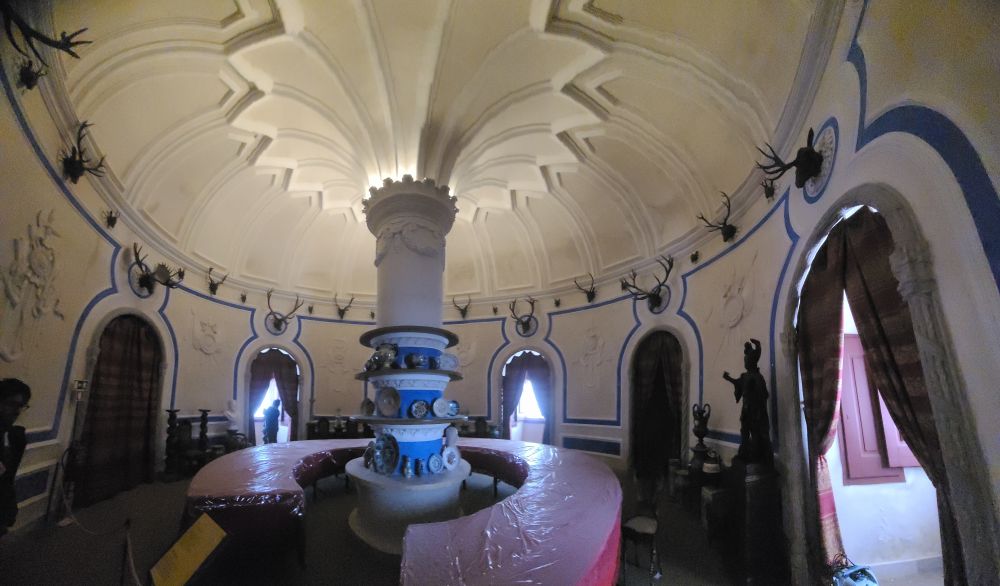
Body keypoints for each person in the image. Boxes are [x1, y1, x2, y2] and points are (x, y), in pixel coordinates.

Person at [723, 339, 773, 466]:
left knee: (755, 432)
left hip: (756, 411)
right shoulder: (744, 376)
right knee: (744, 431)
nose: (745, 362)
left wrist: (753, 394)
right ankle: (744, 452)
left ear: (752, 362)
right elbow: (738, 383)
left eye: (747, 360)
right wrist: (728, 378)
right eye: (745, 360)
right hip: (746, 410)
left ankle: (756, 455)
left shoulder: (758, 377)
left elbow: (764, 395)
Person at [1, 378, 31, 538]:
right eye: (12, 404)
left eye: (21, 406)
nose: (17, 411)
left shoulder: (14, 435)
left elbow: (8, 478)